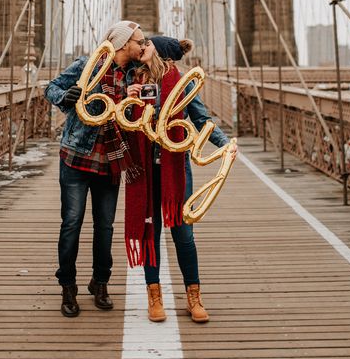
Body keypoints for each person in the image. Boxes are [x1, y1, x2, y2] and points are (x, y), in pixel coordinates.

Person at [125, 36, 236, 324]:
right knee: (151, 232)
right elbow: (119, 120)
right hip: (146, 168)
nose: (142, 46)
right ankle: (155, 295)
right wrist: (129, 98)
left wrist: (225, 145)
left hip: (176, 168)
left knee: (183, 234)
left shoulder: (182, 82)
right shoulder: (131, 79)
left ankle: (193, 296)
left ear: (159, 52)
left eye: (147, 43)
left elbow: (201, 118)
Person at [45, 20, 146, 318]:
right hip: (78, 156)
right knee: (71, 223)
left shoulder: (135, 76)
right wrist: (65, 97)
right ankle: (68, 287)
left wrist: (136, 100)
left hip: (111, 160)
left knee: (105, 226)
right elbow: (51, 88)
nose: (142, 45)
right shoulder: (86, 65)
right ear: (123, 43)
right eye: (138, 41)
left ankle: (100, 283)